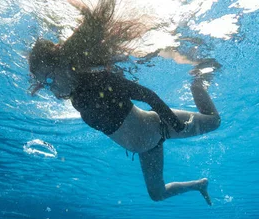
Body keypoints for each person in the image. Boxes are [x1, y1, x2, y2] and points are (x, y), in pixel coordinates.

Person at [28, 0, 221, 205]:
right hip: (147, 149)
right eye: (43, 84)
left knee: (214, 121)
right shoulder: (76, 98)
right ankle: (200, 185)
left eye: (49, 79)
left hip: (161, 126)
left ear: (64, 65)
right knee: (157, 194)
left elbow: (148, 95)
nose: (51, 88)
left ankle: (199, 82)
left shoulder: (99, 81)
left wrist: (176, 125)